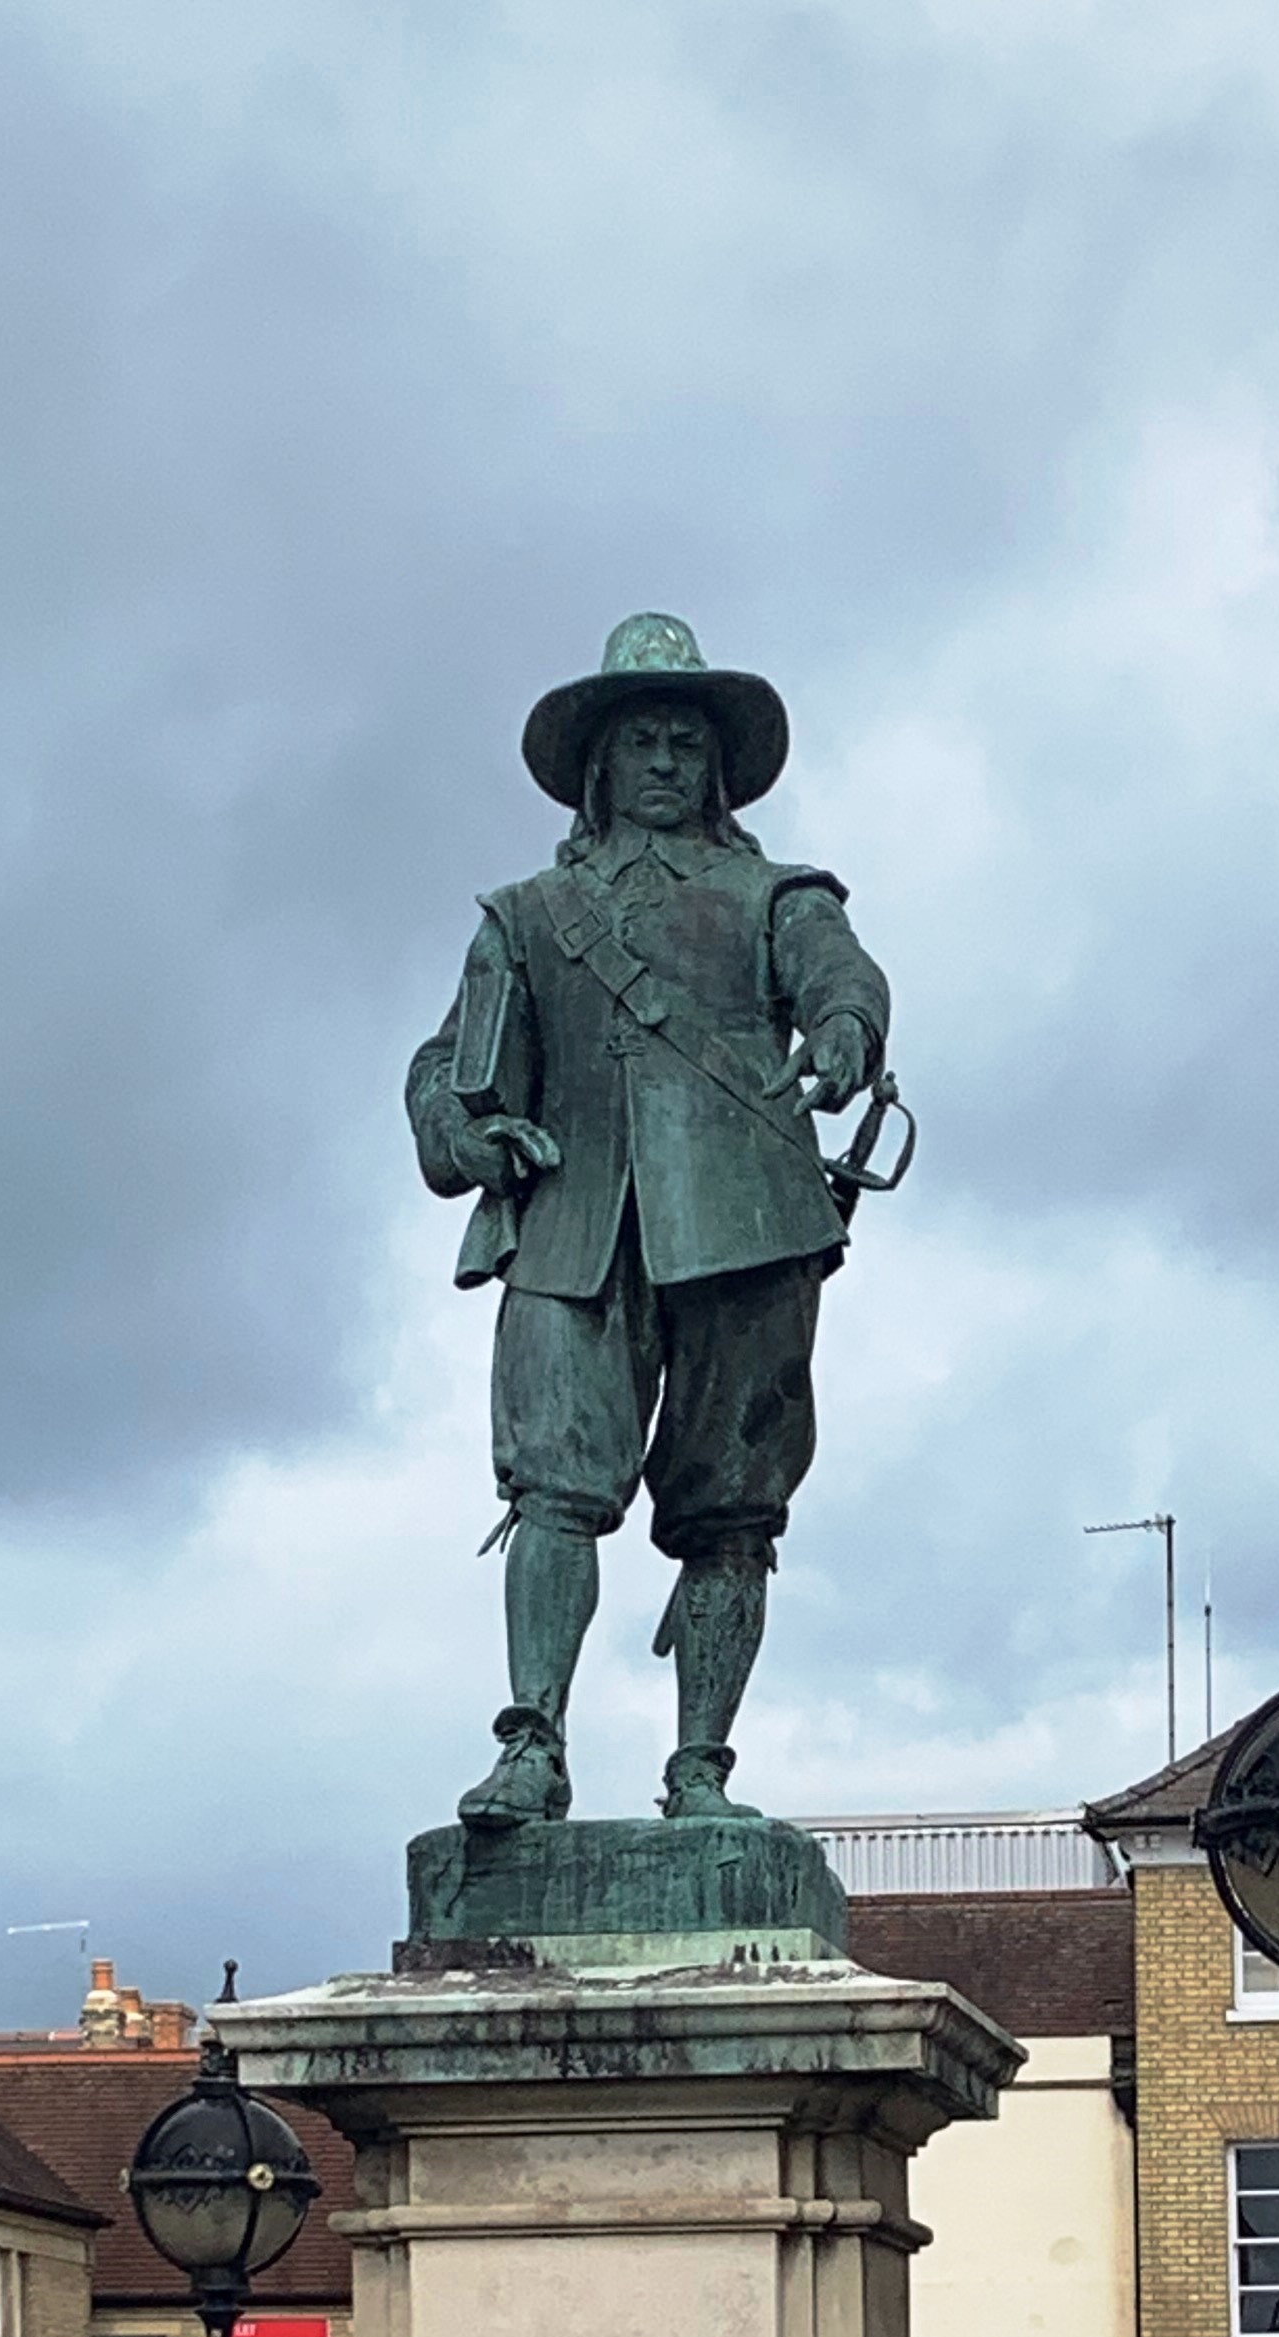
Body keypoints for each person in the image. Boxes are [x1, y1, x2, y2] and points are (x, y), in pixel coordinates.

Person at [406, 611, 893, 1830]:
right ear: (601, 767)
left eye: (686, 741)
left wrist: (841, 1036)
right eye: (643, 743)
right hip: (575, 1229)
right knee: (553, 1491)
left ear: (715, 765)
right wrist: (471, 1136)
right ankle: (532, 1746)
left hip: (749, 1227)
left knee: (734, 1508)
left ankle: (702, 1770)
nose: (667, 763)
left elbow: (844, 977)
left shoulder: (776, 895)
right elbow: (445, 1071)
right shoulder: (521, 917)